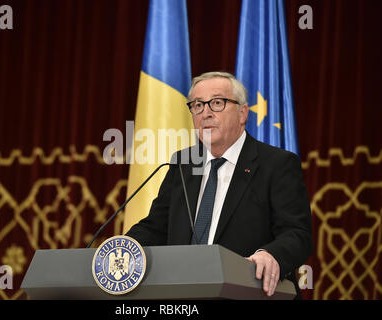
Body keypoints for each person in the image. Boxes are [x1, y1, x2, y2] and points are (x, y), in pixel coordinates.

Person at [125, 71, 313, 298]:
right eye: (197, 105)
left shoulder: (277, 164)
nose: (205, 113)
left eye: (216, 103)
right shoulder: (183, 164)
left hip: (250, 293)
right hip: (185, 298)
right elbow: (155, 228)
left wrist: (270, 254)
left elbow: (297, 233)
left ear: (242, 113)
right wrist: (121, 248)